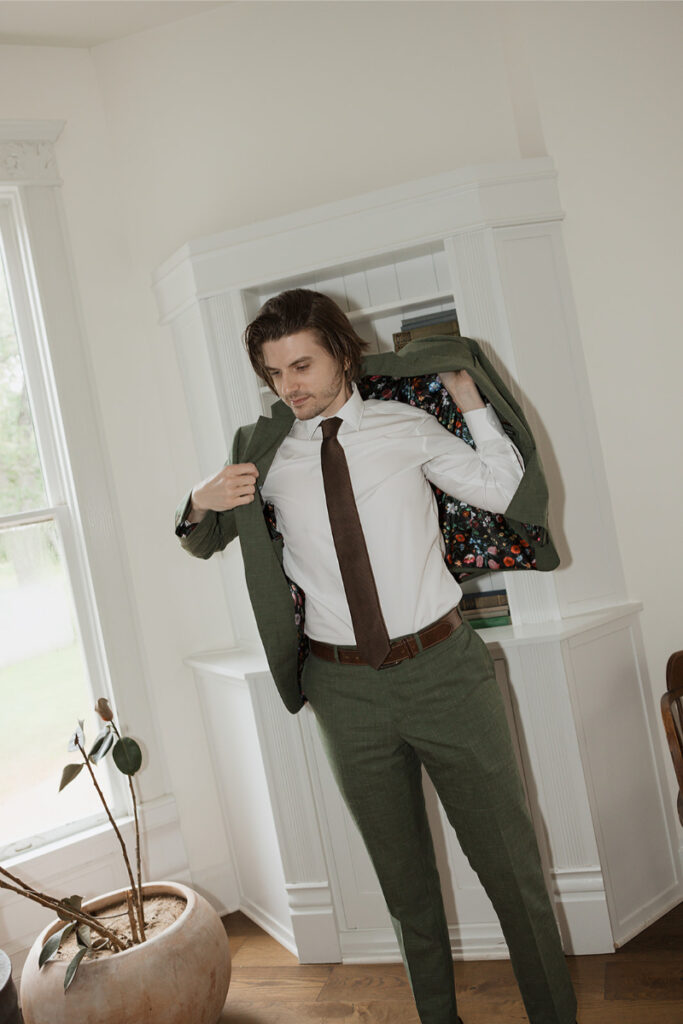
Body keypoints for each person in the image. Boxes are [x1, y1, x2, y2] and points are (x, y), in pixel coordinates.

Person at [175, 288, 579, 1024]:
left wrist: (473, 402)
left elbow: (503, 489)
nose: (288, 385)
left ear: (342, 352)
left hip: (445, 673)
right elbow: (201, 537)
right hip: (342, 691)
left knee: (510, 869)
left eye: (301, 364)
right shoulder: (262, 454)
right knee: (405, 887)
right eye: (273, 373)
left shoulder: (407, 427)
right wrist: (200, 498)